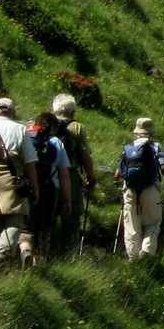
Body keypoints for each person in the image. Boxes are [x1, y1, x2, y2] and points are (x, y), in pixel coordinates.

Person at [0, 95, 42, 268]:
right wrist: (35, 188)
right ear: (13, 113)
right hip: (13, 180)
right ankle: (2, 255)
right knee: (15, 220)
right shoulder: (20, 129)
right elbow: (30, 162)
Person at [50, 92, 97, 254]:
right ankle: (68, 254)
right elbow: (85, 156)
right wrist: (91, 177)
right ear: (72, 111)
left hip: (47, 174)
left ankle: (44, 251)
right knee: (71, 217)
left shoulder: (46, 123)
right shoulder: (76, 127)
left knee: (49, 214)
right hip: (70, 174)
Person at [116, 117, 164, 260]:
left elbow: (118, 173)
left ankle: (133, 258)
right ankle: (147, 250)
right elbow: (163, 167)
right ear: (151, 132)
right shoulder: (155, 146)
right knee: (152, 222)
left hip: (130, 188)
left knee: (131, 225)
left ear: (137, 131)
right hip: (150, 188)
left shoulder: (127, 147)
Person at [27, 109, 74, 259]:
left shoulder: (27, 138)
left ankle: (24, 254)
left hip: (27, 188)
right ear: (53, 127)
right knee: (45, 225)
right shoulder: (56, 142)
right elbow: (64, 175)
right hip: (49, 189)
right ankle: (41, 256)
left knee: (28, 224)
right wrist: (67, 200)